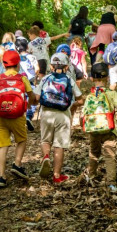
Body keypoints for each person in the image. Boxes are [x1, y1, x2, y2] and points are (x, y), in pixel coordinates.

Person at [0, 50, 38, 188]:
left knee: (2, 146)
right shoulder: (22, 78)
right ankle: (17, 164)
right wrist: (28, 105)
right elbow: (31, 96)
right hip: (17, 115)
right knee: (22, 140)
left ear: (4, 65)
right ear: (18, 64)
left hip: (0, 116)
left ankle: (1, 176)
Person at [35, 53, 83, 184]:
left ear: (51, 66)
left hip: (46, 114)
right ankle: (56, 175)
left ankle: (45, 156)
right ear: (67, 67)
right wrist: (75, 104)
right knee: (59, 145)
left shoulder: (45, 79)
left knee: (45, 140)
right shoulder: (69, 80)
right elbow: (80, 99)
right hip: (63, 115)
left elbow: (37, 98)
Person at [80, 62, 117, 193]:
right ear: (107, 78)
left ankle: (91, 176)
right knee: (110, 155)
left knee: (94, 153)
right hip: (109, 129)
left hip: (93, 130)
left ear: (91, 78)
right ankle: (111, 183)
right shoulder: (111, 93)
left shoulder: (89, 96)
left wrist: (82, 126)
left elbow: (82, 114)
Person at [16, 38, 39, 131]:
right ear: (27, 47)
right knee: (32, 99)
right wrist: (36, 77)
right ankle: (28, 116)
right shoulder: (32, 57)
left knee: (20, 100)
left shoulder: (16, 57)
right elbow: (37, 69)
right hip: (30, 81)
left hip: (19, 81)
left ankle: (19, 119)